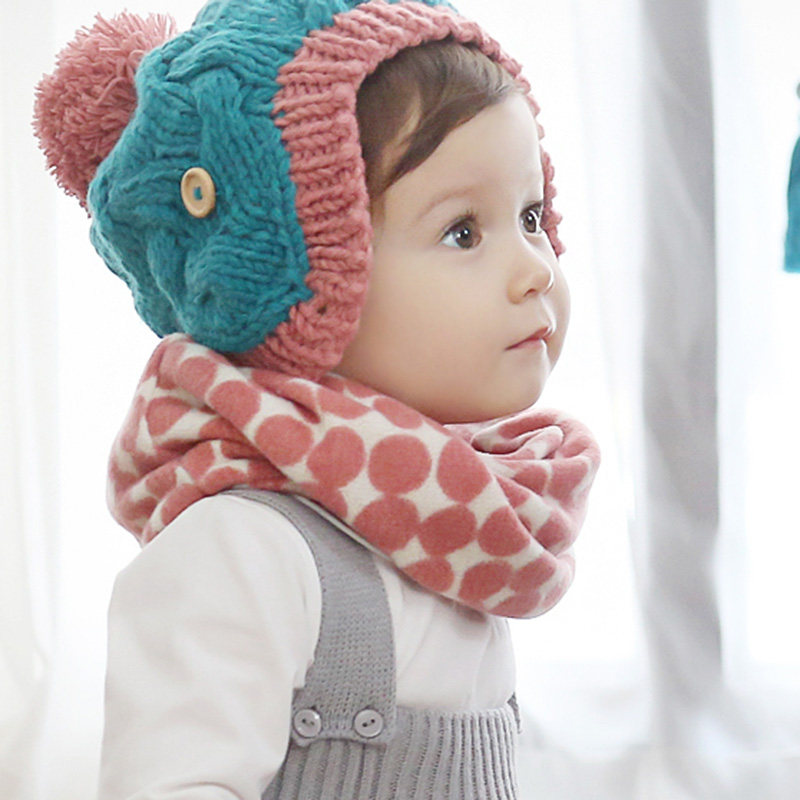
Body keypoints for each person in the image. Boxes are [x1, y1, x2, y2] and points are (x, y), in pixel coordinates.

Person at [34, 1, 600, 797]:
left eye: (531, 216)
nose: (536, 268)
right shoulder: (241, 548)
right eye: (464, 232)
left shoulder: (452, 523)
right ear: (301, 278)